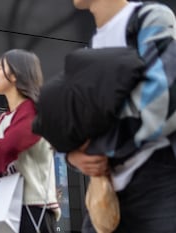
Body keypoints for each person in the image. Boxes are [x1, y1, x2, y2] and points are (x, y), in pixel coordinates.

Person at [67, 1, 176, 232]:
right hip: (107, 193)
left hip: (157, 180)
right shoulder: (92, 48)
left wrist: (97, 143)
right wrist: (73, 155)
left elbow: (162, 99)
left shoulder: (149, 18)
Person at [0, 49, 61, 233]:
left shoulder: (33, 110)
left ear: (14, 74)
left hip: (33, 205)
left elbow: (11, 145)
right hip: (8, 204)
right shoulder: (5, 117)